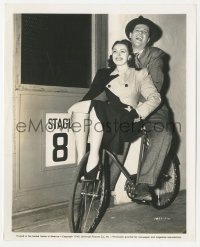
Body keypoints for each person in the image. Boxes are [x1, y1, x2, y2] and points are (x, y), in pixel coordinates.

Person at [68, 39, 161, 181]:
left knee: (93, 106)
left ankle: (93, 159)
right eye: (115, 51)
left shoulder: (139, 74)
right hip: (104, 118)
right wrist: (76, 108)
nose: (118, 54)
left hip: (127, 119)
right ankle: (81, 162)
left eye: (122, 51)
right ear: (111, 55)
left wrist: (139, 113)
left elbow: (155, 98)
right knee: (80, 111)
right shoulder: (103, 74)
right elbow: (90, 96)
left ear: (130, 55)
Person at [123, 15, 173, 201]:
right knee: (115, 136)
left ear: (148, 39)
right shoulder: (120, 53)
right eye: (138, 30)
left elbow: (156, 84)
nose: (141, 34)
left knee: (164, 134)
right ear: (130, 35)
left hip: (152, 107)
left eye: (145, 32)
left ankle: (144, 184)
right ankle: (103, 186)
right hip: (126, 107)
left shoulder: (155, 55)